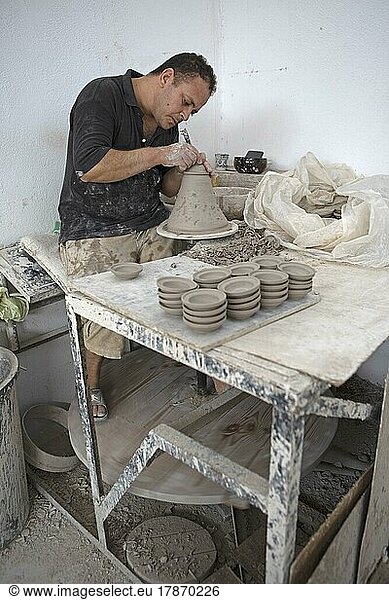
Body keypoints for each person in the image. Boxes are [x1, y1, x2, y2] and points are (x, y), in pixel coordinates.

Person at [58, 53, 217, 420]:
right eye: (187, 103)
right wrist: (162, 152)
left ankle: (196, 370)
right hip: (92, 226)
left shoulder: (166, 122)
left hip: (147, 221)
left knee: (193, 283)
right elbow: (90, 165)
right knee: (104, 305)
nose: (186, 115)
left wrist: (186, 169)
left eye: (194, 111)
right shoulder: (102, 94)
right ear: (167, 77)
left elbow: (166, 187)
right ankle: (91, 383)